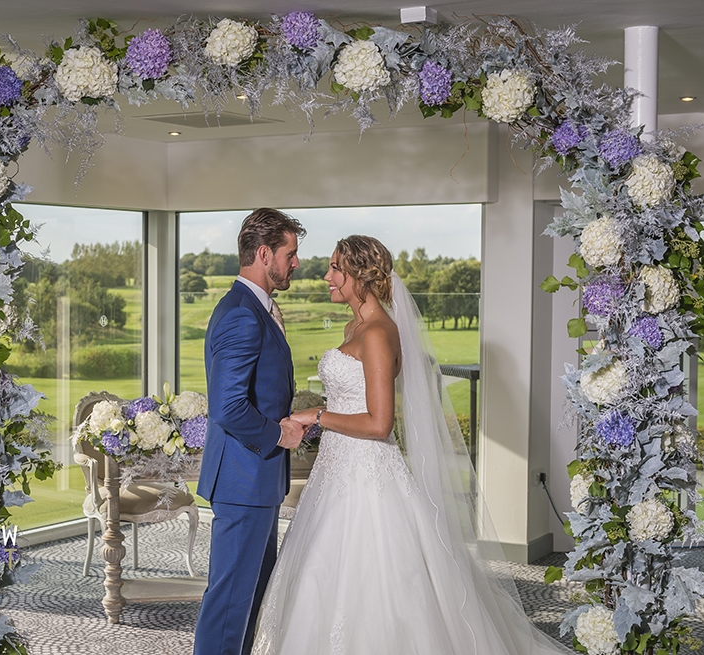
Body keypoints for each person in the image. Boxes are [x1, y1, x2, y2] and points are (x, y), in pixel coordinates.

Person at [251, 235, 574, 655]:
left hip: (367, 475)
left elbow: (380, 423)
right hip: (336, 472)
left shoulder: (379, 334)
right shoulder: (355, 326)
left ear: (360, 276)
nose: (327, 276)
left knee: (375, 583)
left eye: (335, 268)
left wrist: (317, 416)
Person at [193, 208, 308, 655]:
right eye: (290, 253)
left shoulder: (255, 308)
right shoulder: (242, 314)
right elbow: (228, 407)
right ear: (264, 254)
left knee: (253, 597)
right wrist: (279, 436)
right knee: (229, 602)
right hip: (243, 480)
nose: (296, 263)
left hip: (255, 481)